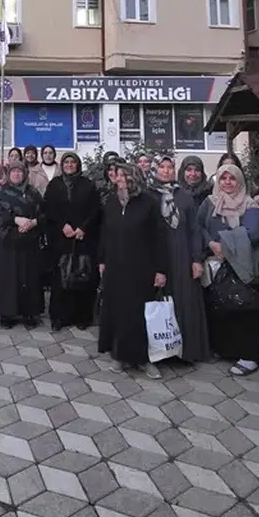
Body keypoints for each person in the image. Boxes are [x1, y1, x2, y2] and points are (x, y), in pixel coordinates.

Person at [97, 161, 170, 378]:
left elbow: (159, 237)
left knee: (139, 314)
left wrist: (160, 269)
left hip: (141, 268)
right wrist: (101, 259)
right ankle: (119, 355)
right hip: (115, 266)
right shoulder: (111, 202)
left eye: (123, 175)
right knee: (117, 312)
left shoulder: (148, 202)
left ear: (133, 177)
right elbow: (105, 232)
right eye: (117, 176)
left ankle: (143, 359)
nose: (118, 179)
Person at [198, 164, 259, 377]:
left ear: (240, 181)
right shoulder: (209, 202)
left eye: (232, 178)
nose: (227, 182)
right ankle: (225, 349)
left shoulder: (250, 204)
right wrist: (210, 243)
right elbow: (198, 227)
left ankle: (249, 355)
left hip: (243, 265)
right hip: (216, 264)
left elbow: (252, 233)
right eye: (223, 178)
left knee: (245, 307)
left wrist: (223, 242)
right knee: (221, 306)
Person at [147, 155, 209, 363]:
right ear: (155, 169)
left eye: (170, 167)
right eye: (162, 167)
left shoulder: (184, 196)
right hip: (158, 257)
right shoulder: (147, 195)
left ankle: (186, 351)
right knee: (160, 302)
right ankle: (162, 351)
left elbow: (194, 229)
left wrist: (197, 259)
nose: (166, 171)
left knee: (185, 302)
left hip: (183, 256)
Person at [43, 152, 101, 331]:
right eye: (66, 162)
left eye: (72, 162)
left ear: (78, 165)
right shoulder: (55, 185)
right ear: (62, 165)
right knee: (60, 279)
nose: (69, 165)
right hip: (60, 240)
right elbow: (48, 208)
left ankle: (82, 317)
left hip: (83, 239)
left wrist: (83, 228)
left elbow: (95, 210)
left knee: (82, 277)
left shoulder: (88, 185)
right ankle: (59, 317)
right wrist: (62, 225)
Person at [0, 162, 45, 329]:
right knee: (9, 279)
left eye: (19, 172)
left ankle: (30, 313)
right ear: (8, 174)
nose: (16, 174)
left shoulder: (33, 193)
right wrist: (15, 219)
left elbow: (44, 214)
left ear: (25, 174)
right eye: (13, 171)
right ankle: (8, 314)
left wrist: (33, 223)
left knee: (30, 278)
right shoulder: (2, 194)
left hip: (30, 243)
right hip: (8, 245)